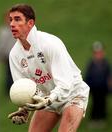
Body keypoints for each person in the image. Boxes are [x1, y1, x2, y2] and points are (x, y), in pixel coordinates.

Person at [7, 4, 90, 132]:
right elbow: (24, 88)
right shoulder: (14, 54)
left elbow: (65, 84)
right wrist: (23, 109)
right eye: (10, 19)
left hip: (73, 94)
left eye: (17, 19)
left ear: (30, 23)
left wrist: (49, 100)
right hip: (46, 99)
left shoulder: (50, 43)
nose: (12, 24)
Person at [85, 41, 111, 127]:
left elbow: (108, 76)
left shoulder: (105, 64)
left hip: (103, 88)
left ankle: (102, 118)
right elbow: (88, 76)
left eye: (100, 53)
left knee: (102, 103)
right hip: (94, 88)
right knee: (95, 104)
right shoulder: (91, 64)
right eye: (96, 53)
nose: (98, 55)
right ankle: (94, 119)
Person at [0, 11, 16, 95]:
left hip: (18, 56)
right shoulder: (3, 31)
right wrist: (0, 55)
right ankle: (10, 91)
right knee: (9, 74)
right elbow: (1, 44)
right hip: (8, 56)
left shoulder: (17, 29)